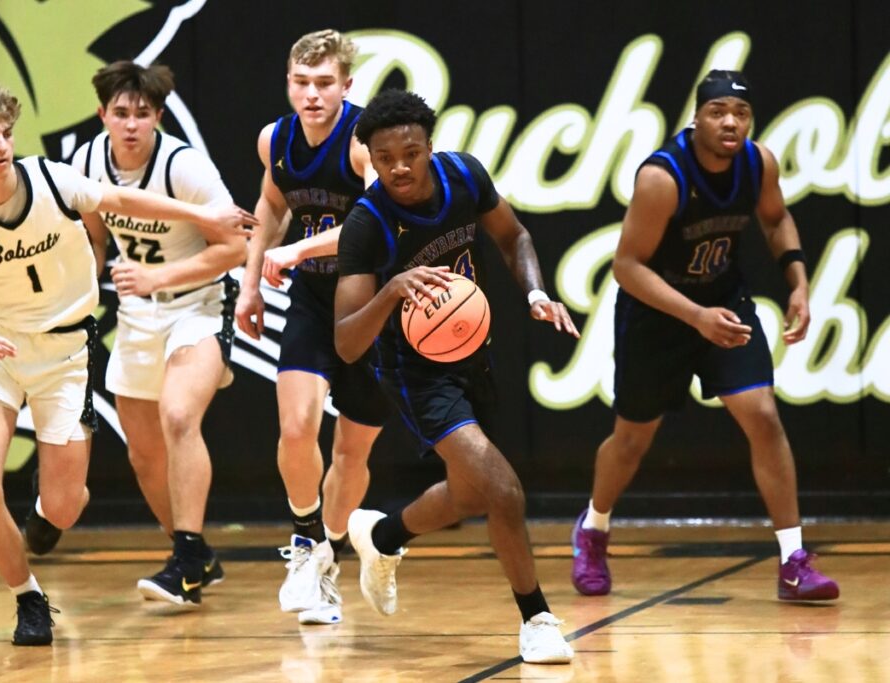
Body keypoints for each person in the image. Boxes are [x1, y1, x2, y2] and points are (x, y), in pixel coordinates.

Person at [0, 80, 255, 645]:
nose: (1, 145)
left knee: (65, 507)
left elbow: (123, 201)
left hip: (65, 353)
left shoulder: (52, 179)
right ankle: (28, 598)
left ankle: (56, 506)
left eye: (6, 134)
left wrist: (209, 215)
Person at [570, 70, 839, 602]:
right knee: (631, 441)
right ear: (697, 119)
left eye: (740, 113)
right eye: (718, 112)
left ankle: (793, 560)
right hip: (658, 314)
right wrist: (694, 316)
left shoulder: (758, 162)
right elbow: (626, 267)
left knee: (762, 415)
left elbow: (777, 217)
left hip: (724, 301)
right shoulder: (662, 178)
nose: (730, 122)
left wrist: (800, 283)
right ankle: (594, 528)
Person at [335, 89, 580, 665]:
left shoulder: (464, 177)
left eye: (410, 152)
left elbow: (513, 235)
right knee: (503, 490)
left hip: (471, 351)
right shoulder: (367, 225)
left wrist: (535, 291)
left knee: (471, 493)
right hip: (414, 374)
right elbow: (347, 342)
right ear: (369, 156)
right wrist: (392, 290)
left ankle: (384, 536)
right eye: (384, 156)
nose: (398, 165)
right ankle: (536, 619)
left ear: (429, 148)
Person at [72, 60, 246, 606]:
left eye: (141, 115)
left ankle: (187, 561)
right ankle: (193, 554)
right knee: (144, 455)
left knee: (177, 415)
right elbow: (95, 240)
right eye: (119, 113)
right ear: (102, 115)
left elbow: (236, 247)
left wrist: (158, 276)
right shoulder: (85, 162)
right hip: (137, 315)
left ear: (158, 118)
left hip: (197, 305)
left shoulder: (185, 167)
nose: (130, 124)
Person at [234, 29, 389, 625]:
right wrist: (250, 283)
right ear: (289, 85)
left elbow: (374, 224)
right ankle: (304, 542)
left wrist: (295, 252)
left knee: (352, 447)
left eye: (324, 83)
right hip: (312, 299)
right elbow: (272, 205)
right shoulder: (275, 138)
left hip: (370, 304)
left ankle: (328, 555)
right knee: (297, 424)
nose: (312, 94)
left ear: (346, 86)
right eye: (302, 83)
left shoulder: (361, 143)